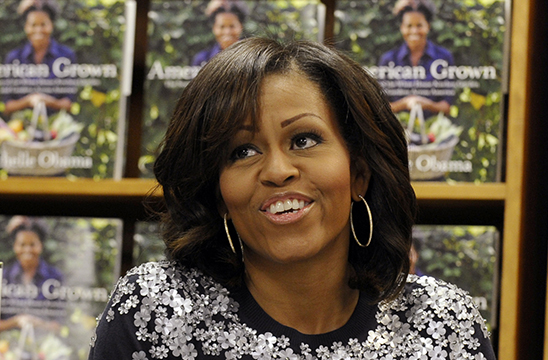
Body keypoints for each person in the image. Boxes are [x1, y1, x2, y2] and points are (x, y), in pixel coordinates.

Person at [88, 37, 496, 359]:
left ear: (359, 174)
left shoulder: (443, 325)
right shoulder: (156, 312)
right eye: (242, 151)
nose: (277, 170)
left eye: (303, 139)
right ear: (218, 195)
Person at [379, 0, 455, 116]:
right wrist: (404, 103)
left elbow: (447, 107)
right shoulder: (389, 60)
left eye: (419, 25)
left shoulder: (444, 57)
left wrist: (427, 104)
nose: (414, 31)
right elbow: (381, 107)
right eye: (409, 26)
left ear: (428, 26)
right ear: (402, 28)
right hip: (398, 128)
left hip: (433, 131)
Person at [3, 0, 77, 116]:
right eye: (33, 25)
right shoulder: (14, 58)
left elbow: (69, 104)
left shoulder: (66, 56)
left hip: (56, 129)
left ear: (51, 25)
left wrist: (48, 101)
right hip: (20, 128)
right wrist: (28, 101)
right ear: (26, 27)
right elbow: (7, 106)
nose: (38, 30)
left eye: (43, 24)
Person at [0, 216, 63, 332]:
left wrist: (37, 323)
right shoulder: (4, 276)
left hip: (44, 347)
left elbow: (59, 326)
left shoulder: (54, 277)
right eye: (22, 245)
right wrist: (16, 321)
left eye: (32, 244)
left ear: (40, 246)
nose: (27, 250)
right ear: (14, 247)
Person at [191, 0, 248, 67]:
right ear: (214, 28)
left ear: (241, 27)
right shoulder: (202, 59)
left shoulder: (252, 57)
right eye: (222, 26)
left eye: (232, 26)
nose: (227, 32)